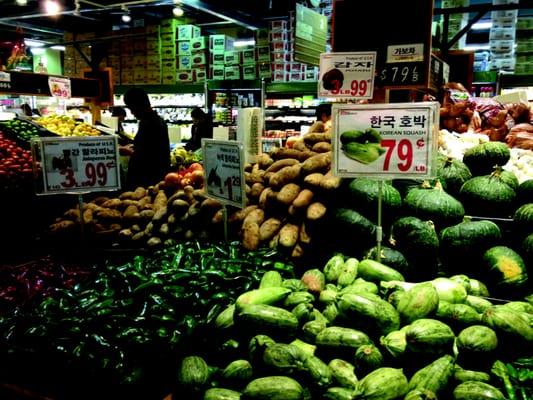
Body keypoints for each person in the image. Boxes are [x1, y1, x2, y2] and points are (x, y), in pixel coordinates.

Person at [120, 87, 170, 189]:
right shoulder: (156, 120)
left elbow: (149, 156)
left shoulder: (149, 123)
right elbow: (150, 147)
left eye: (131, 108)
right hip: (152, 179)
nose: (132, 113)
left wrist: (127, 151)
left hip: (147, 182)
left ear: (138, 105)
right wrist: (135, 146)